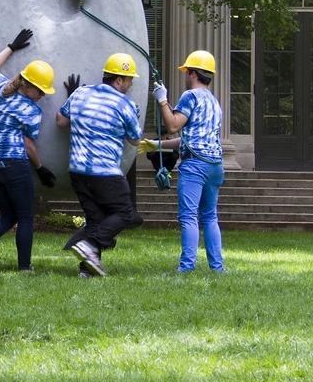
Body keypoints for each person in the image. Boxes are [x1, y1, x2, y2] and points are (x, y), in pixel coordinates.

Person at [0, 29, 57, 272]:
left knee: (8, 215)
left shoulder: (4, 89)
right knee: (26, 217)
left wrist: (11, 47)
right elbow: (29, 146)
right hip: (15, 164)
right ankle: (25, 268)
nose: (42, 96)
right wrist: (40, 168)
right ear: (29, 86)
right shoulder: (33, 111)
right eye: (41, 91)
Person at [56, 53, 143, 277]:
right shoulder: (125, 103)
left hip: (77, 169)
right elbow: (135, 140)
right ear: (119, 80)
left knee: (96, 219)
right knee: (125, 212)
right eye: (129, 79)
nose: (131, 83)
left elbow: (61, 121)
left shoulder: (81, 92)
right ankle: (90, 244)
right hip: (104, 171)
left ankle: (87, 270)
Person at [148, 50, 225, 273]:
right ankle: (217, 268)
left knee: (188, 215)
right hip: (215, 166)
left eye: (186, 71)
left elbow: (172, 126)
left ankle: (187, 267)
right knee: (210, 216)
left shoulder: (190, 97)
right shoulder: (214, 102)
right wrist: (157, 145)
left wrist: (162, 99)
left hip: (195, 166)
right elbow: (189, 138)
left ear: (192, 73)